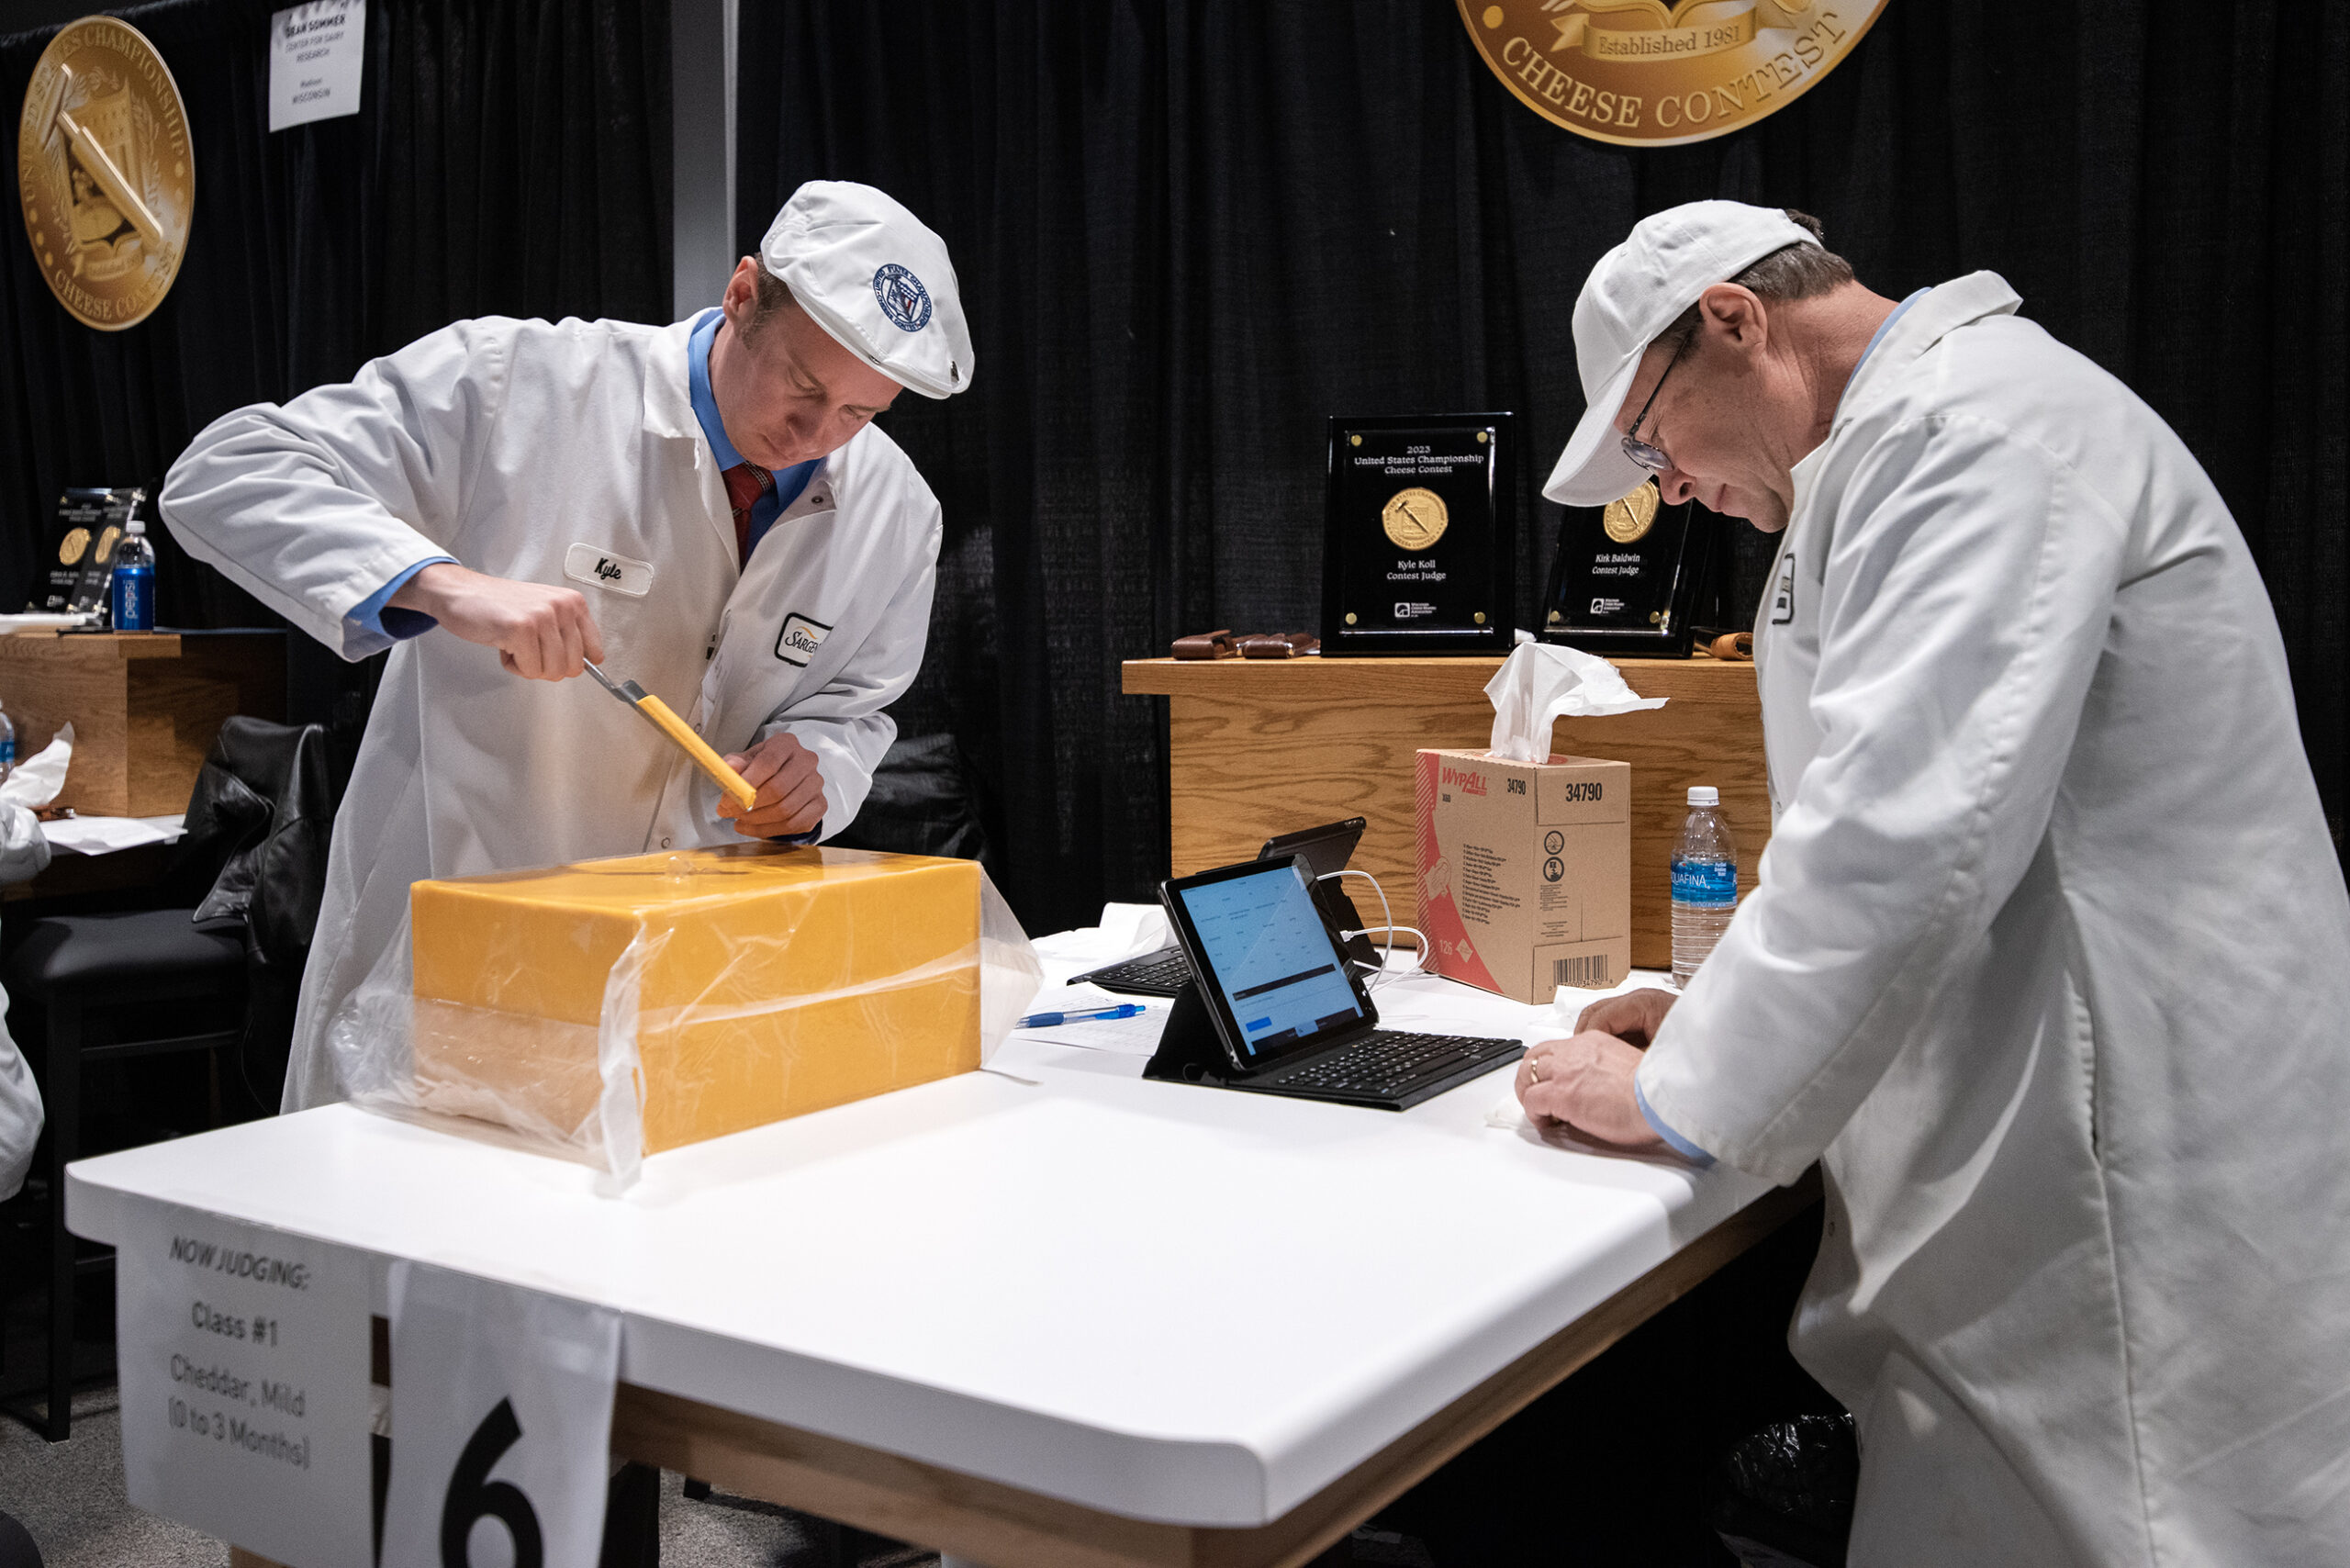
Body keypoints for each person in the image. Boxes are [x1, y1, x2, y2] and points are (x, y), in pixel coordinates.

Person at [1516, 201, 2350, 1563]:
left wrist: (1677, 1095)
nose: (1661, 488)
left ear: (1735, 322)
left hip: (2132, 1126)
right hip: (2049, 1104)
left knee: (2138, 1520)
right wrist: (1713, 1011)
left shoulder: (1977, 433)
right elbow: (1882, 817)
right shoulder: (1886, 461)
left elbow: (1911, 841)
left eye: (1653, 435)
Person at [162, 181, 973, 1110]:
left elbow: (855, 703)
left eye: (860, 415)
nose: (816, 437)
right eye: (804, 387)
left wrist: (818, 768)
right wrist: (448, 587)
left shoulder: (897, 511)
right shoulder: (527, 384)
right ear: (744, 294)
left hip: (690, 988)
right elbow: (225, 468)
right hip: (454, 972)